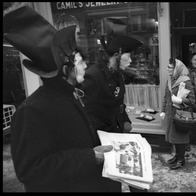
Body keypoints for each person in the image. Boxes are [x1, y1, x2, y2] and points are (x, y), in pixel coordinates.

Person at [4, 4, 118, 192]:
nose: (85, 65)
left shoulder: (69, 94)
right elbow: (31, 170)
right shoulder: (31, 110)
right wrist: (92, 157)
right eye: (80, 62)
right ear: (66, 71)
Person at [80, 35, 147, 192]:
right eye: (128, 57)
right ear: (117, 55)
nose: (130, 62)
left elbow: (119, 102)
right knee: (107, 183)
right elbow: (87, 113)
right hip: (101, 140)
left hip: (117, 133)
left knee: (133, 178)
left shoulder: (117, 74)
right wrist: (109, 135)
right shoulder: (93, 75)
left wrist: (125, 119)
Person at [159, 58, 195, 170]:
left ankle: (181, 159)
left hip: (180, 114)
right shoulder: (170, 80)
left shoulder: (186, 81)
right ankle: (177, 156)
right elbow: (166, 97)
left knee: (180, 138)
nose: (167, 69)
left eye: (170, 67)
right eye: (168, 67)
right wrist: (163, 110)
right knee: (174, 137)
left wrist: (181, 101)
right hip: (171, 113)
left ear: (177, 69)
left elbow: (192, 100)